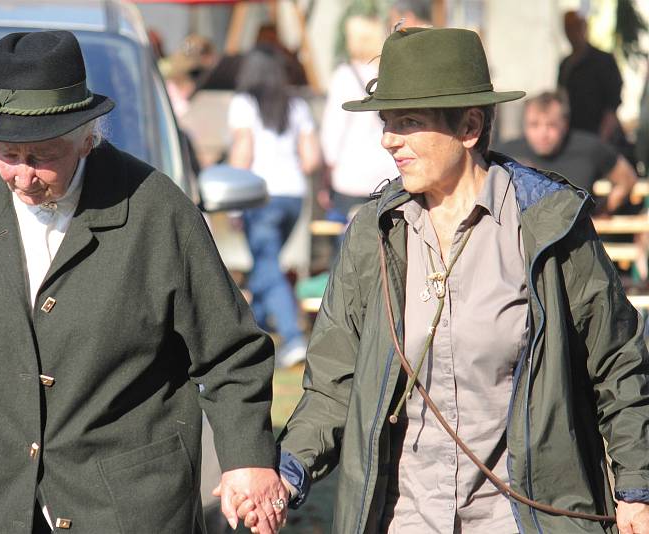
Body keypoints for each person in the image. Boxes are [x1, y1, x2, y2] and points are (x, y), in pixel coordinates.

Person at [234, 27, 649, 534]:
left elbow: (619, 364)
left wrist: (636, 490)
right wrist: (288, 470)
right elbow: (333, 385)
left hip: (521, 519)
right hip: (402, 519)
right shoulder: (373, 235)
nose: (389, 139)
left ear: (470, 126)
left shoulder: (549, 226)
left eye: (408, 122)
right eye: (387, 122)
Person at [0, 30, 288, 534]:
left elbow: (230, 352)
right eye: (8, 154)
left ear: (88, 135)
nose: (23, 176)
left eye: (43, 156)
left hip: (128, 506)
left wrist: (247, 458)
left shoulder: (155, 212)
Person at [228, 46, 320, 369]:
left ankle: (293, 339)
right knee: (266, 266)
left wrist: (234, 207)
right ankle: (253, 332)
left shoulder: (243, 104)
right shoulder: (296, 105)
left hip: (259, 195)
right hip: (293, 196)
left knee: (267, 266)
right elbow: (311, 160)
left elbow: (242, 153)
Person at [499, 91, 637, 216]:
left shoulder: (589, 148)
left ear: (564, 124)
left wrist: (602, 210)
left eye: (551, 125)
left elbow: (627, 178)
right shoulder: (505, 153)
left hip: (575, 238)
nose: (543, 134)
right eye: (534, 125)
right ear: (524, 125)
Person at [319, 12, 399, 221]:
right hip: (388, 172)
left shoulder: (344, 76)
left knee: (350, 241)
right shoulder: (391, 73)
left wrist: (327, 171)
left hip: (351, 175)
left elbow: (332, 131)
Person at [558, 11, 626, 146]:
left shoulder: (603, 60)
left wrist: (601, 139)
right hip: (574, 136)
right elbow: (561, 98)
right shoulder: (566, 64)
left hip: (600, 135)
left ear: (585, 28)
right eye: (569, 28)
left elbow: (612, 104)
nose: (572, 33)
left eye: (576, 27)